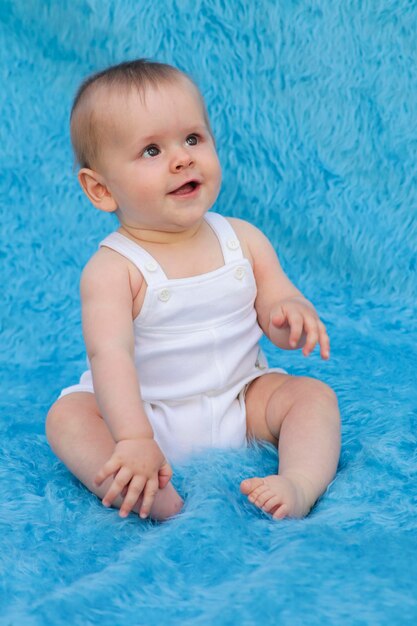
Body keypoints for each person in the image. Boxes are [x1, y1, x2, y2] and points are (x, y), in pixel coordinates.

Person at [46, 59, 341, 522]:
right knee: (67, 420)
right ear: (101, 190)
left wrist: (291, 314)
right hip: (143, 412)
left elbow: (276, 312)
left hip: (240, 400)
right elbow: (111, 358)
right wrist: (134, 437)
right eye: (151, 151)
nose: (182, 158)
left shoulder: (242, 239)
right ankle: (149, 494)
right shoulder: (112, 269)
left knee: (313, 397)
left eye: (192, 139)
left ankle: (299, 482)